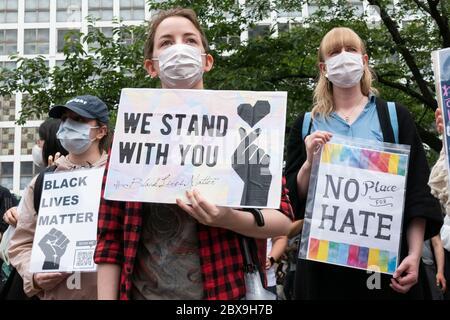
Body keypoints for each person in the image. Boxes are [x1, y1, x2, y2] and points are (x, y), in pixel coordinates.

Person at [94, 8, 293, 300]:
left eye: (190, 41)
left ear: (207, 60)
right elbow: (109, 238)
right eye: (166, 42)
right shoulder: (131, 134)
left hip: (225, 295)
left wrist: (227, 218)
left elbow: (283, 220)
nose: (179, 48)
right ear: (152, 66)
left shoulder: (243, 126)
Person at [285, 27, 443, 299]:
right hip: (323, 267)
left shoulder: (394, 116)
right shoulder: (306, 124)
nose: (344, 57)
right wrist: (309, 162)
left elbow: (418, 191)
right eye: (335, 52)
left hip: (386, 265)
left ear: (365, 60)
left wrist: (415, 255)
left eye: (351, 50)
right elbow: (294, 198)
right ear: (323, 67)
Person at [8, 95, 109, 299]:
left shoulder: (118, 180)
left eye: (79, 120)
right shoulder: (43, 181)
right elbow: (21, 243)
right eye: (64, 119)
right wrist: (34, 277)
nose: (68, 126)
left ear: (101, 131)